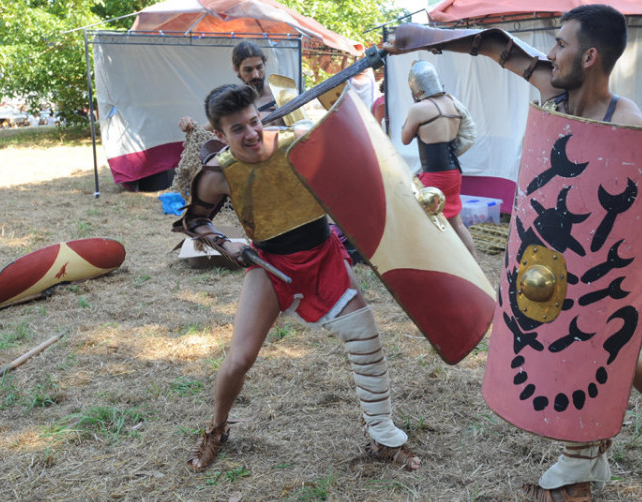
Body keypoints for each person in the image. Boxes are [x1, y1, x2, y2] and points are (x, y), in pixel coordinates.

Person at [387, 5, 642, 502]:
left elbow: (628, 220)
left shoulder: (625, 121)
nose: (550, 52)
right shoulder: (552, 91)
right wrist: (426, 36)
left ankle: (576, 481)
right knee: (603, 353)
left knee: (588, 350)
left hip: (593, 264)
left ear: (588, 56)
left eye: (560, 43)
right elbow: (496, 47)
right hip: (547, 258)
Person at [174, 83, 421, 473]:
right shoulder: (219, 174)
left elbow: (359, 170)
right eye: (237, 129)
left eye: (254, 121)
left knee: (366, 338)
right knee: (239, 359)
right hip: (271, 264)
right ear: (220, 135)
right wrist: (226, 244)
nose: (251, 133)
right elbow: (194, 220)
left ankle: (382, 436)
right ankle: (217, 431)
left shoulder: (300, 143)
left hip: (324, 257)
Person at [400, 60, 478, 258]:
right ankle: (473, 262)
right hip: (454, 173)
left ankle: (431, 262)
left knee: (417, 220)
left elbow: (405, 138)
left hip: (435, 177)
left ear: (416, 89)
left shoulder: (418, 109)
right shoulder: (452, 103)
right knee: (456, 223)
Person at [178, 40, 281, 135]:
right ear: (236, 70)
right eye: (248, 70)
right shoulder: (235, 100)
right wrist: (190, 125)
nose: (256, 75)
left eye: (259, 67)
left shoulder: (281, 95)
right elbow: (202, 132)